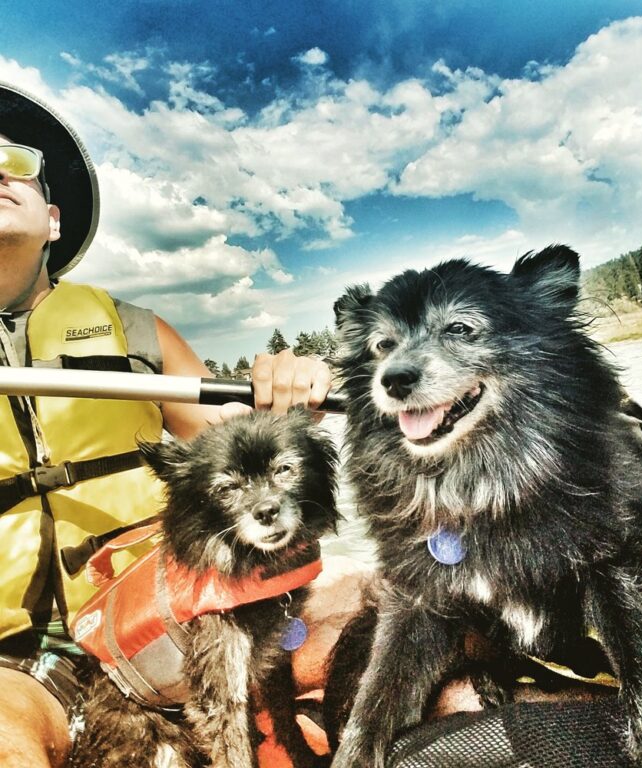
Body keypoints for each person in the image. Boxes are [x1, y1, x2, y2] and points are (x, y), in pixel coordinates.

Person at [0, 81, 337, 767]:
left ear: (55, 219)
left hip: (167, 615)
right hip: (20, 658)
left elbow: (234, 442)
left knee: (379, 608)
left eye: (18, 163)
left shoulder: (139, 333)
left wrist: (285, 397)